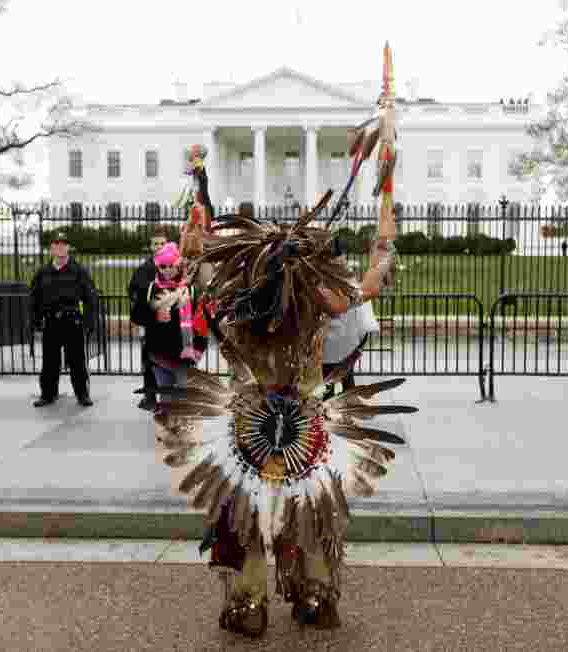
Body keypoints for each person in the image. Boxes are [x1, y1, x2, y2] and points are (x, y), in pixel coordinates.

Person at [152, 55, 414, 638]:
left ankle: (247, 600)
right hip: (307, 419)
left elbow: (195, 261)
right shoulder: (320, 303)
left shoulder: (233, 307)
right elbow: (368, 285)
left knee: (242, 510)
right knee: (312, 504)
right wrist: (384, 241)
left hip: (243, 422)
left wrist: (198, 226)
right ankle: (314, 592)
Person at [30, 232, 98, 408]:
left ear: (68, 247)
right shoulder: (43, 272)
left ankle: (82, 394)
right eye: (56, 244)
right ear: (51, 248)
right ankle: (48, 395)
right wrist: (36, 320)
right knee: (50, 361)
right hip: (51, 322)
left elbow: (90, 298)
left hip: (72, 321)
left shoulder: (78, 270)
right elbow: (34, 298)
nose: (60, 247)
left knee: (77, 361)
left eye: (63, 244)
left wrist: (89, 323)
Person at [137, 241, 204, 409]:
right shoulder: (151, 289)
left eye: (171, 266)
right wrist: (154, 316)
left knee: (184, 401)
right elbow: (137, 315)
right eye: (162, 266)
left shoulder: (192, 290)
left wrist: (198, 348)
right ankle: (168, 433)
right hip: (159, 354)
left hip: (185, 356)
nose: (167, 270)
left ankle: (182, 433)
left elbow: (202, 322)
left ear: (178, 265)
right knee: (166, 401)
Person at [321, 238, 380, 401]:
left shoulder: (328, 277)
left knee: (329, 387)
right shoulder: (346, 276)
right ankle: (344, 412)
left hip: (334, 344)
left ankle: (337, 414)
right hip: (343, 343)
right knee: (342, 382)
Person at [128, 228, 170, 411]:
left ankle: (168, 396)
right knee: (149, 360)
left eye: (162, 243)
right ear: (151, 246)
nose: (159, 246)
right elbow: (133, 292)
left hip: (170, 324)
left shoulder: (173, 267)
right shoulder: (145, 269)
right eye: (156, 243)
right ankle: (150, 395)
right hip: (150, 323)